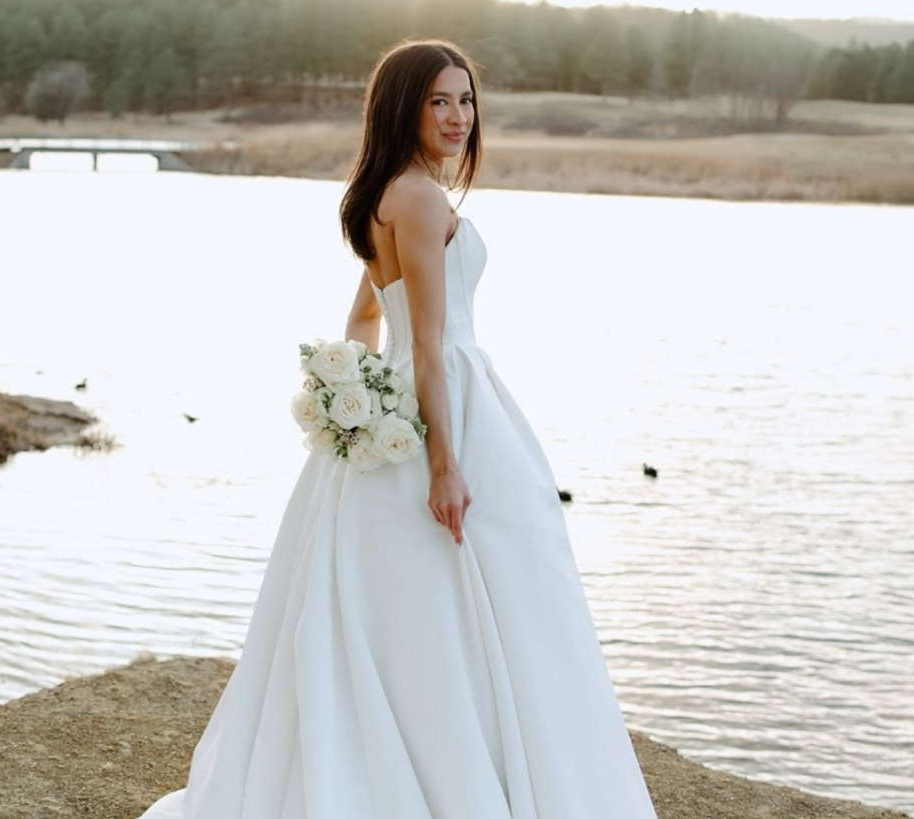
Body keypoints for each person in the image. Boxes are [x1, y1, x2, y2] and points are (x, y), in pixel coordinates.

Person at [138, 39, 658, 819]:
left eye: (466, 100)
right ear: (404, 109)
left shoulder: (392, 190)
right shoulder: (417, 199)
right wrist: (441, 461)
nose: (458, 117)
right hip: (449, 404)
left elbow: (363, 315)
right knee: (493, 577)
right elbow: (429, 345)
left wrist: (358, 392)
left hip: (419, 401)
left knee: (438, 590)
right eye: (438, 102)